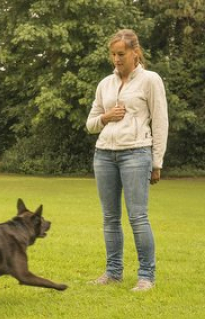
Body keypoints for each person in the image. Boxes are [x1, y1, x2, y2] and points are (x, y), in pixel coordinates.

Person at [86, 29, 168, 291]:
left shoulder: (150, 81)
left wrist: (157, 163)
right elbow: (90, 124)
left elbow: (161, 122)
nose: (116, 59)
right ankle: (113, 272)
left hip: (136, 153)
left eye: (121, 54)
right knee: (110, 218)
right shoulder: (104, 84)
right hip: (104, 155)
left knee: (138, 217)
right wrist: (106, 117)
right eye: (113, 54)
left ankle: (146, 276)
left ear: (135, 53)